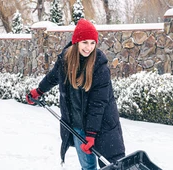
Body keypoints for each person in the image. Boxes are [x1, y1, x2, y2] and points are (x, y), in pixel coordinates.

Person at [26, 18, 125, 170]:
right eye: (85, 42)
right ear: (76, 41)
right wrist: (39, 91)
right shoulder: (65, 60)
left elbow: (98, 104)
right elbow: (53, 77)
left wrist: (91, 134)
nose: (89, 47)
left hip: (102, 123)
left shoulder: (100, 68)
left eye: (92, 43)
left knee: (111, 164)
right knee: (88, 167)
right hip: (77, 124)